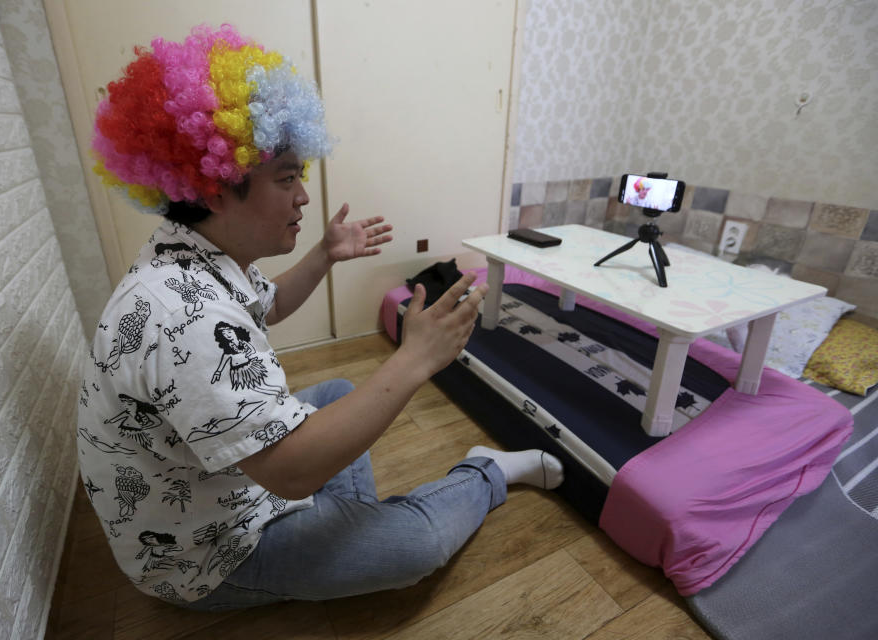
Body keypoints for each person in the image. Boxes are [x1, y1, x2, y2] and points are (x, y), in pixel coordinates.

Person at [77, 23, 564, 610]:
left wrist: (326, 253)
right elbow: (291, 475)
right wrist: (414, 359)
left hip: (223, 482)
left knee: (335, 392)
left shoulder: (187, 253)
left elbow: (269, 304)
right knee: (414, 546)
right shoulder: (182, 315)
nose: (303, 197)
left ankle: (345, 523)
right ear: (212, 189)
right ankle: (483, 473)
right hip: (207, 554)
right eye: (286, 179)